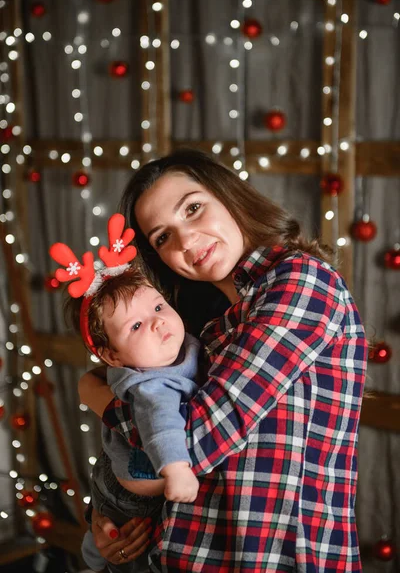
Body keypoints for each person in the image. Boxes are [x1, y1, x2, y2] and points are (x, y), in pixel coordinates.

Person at [79, 149, 367, 572]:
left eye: (193, 208)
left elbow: (194, 443)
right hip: (176, 552)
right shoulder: (202, 327)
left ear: (229, 196)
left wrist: (93, 395)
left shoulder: (302, 282)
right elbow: (162, 460)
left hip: (274, 558)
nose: (187, 241)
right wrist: (114, 523)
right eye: (163, 237)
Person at [50, 216, 202, 573]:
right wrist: (177, 470)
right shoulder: (151, 385)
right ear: (113, 357)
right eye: (135, 326)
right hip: (132, 496)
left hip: (116, 471)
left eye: (158, 307)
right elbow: (161, 424)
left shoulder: (179, 347)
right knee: (124, 548)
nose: (157, 321)